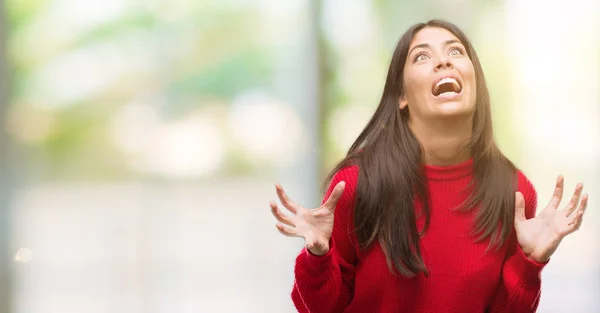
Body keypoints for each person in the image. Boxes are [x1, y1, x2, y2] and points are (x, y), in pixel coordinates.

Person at [269, 19, 588, 313]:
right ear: (401, 96)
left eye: (456, 51)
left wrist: (531, 262)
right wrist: (318, 256)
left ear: (474, 81)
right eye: (422, 57)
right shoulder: (357, 184)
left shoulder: (513, 192)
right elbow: (321, 307)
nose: (443, 60)